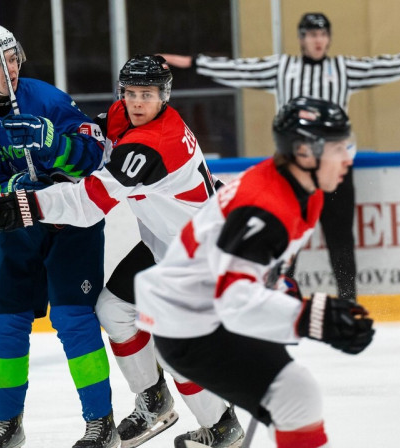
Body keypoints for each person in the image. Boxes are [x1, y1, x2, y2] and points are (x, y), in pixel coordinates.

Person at [0, 54, 245, 448]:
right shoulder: (128, 116)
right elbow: (95, 139)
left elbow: (91, 201)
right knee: (114, 310)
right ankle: (154, 401)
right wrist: (54, 137)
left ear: (164, 97)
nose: (137, 102)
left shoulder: (155, 143)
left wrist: (28, 205)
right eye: (131, 93)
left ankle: (223, 427)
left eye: (148, 94)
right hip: (168, 247)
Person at [160, 12, 400, 302]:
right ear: (301, 38)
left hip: (335, 167)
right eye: (310, 34)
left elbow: (385, 65)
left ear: (329, 38)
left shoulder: (344, 69)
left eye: (322, 33)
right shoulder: (282, 68)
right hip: (293, 168)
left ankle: (348, 300)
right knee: (284, 233)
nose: (317, 39)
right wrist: (182, 62)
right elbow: (236, 68)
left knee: (340, 237)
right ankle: (278, 298)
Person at [133, 97, 376, 448]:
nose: (348, 156)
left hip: (206, 309)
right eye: (339, 147)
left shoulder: (305, 190)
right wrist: (309, 317)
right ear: (305, 152)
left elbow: (256, 269)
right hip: (190, 324)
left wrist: (281, 294)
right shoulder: (264, 208)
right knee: (294, 393)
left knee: (294, 394)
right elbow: (234, 297)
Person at [0, 24, 118, 448]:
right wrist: (4, 196)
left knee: (73, 319)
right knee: (5, 324)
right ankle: (9, 424)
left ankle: (101, 423)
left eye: (12, 57)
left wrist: (53, 143)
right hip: (23, 228)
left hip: (71, 225)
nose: (9, 69)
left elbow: (93, 157)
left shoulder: (49, 99)